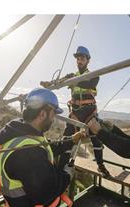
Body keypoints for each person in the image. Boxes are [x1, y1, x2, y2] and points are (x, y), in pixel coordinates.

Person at [0, 88, 83, 207]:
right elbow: (47, 192)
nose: (53, 119)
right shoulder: (27, 152)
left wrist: (71, 140)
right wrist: (68, 173)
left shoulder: (21, 135)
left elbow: (49, 147)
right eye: (53, 114)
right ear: (42, 114)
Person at [42, 46, 110, 177]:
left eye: (82, 58)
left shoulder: (94, 76)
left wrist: (73, 82)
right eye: (78, 58)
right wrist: (49, 84)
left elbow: (90, 85)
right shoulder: (71, 76)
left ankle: (100, 165)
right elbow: (60, 81)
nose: (80, 60)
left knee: (96, 138)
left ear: (88, 60)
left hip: (89, 111)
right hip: (76, 112)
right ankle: (61, 167)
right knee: (68, 138)